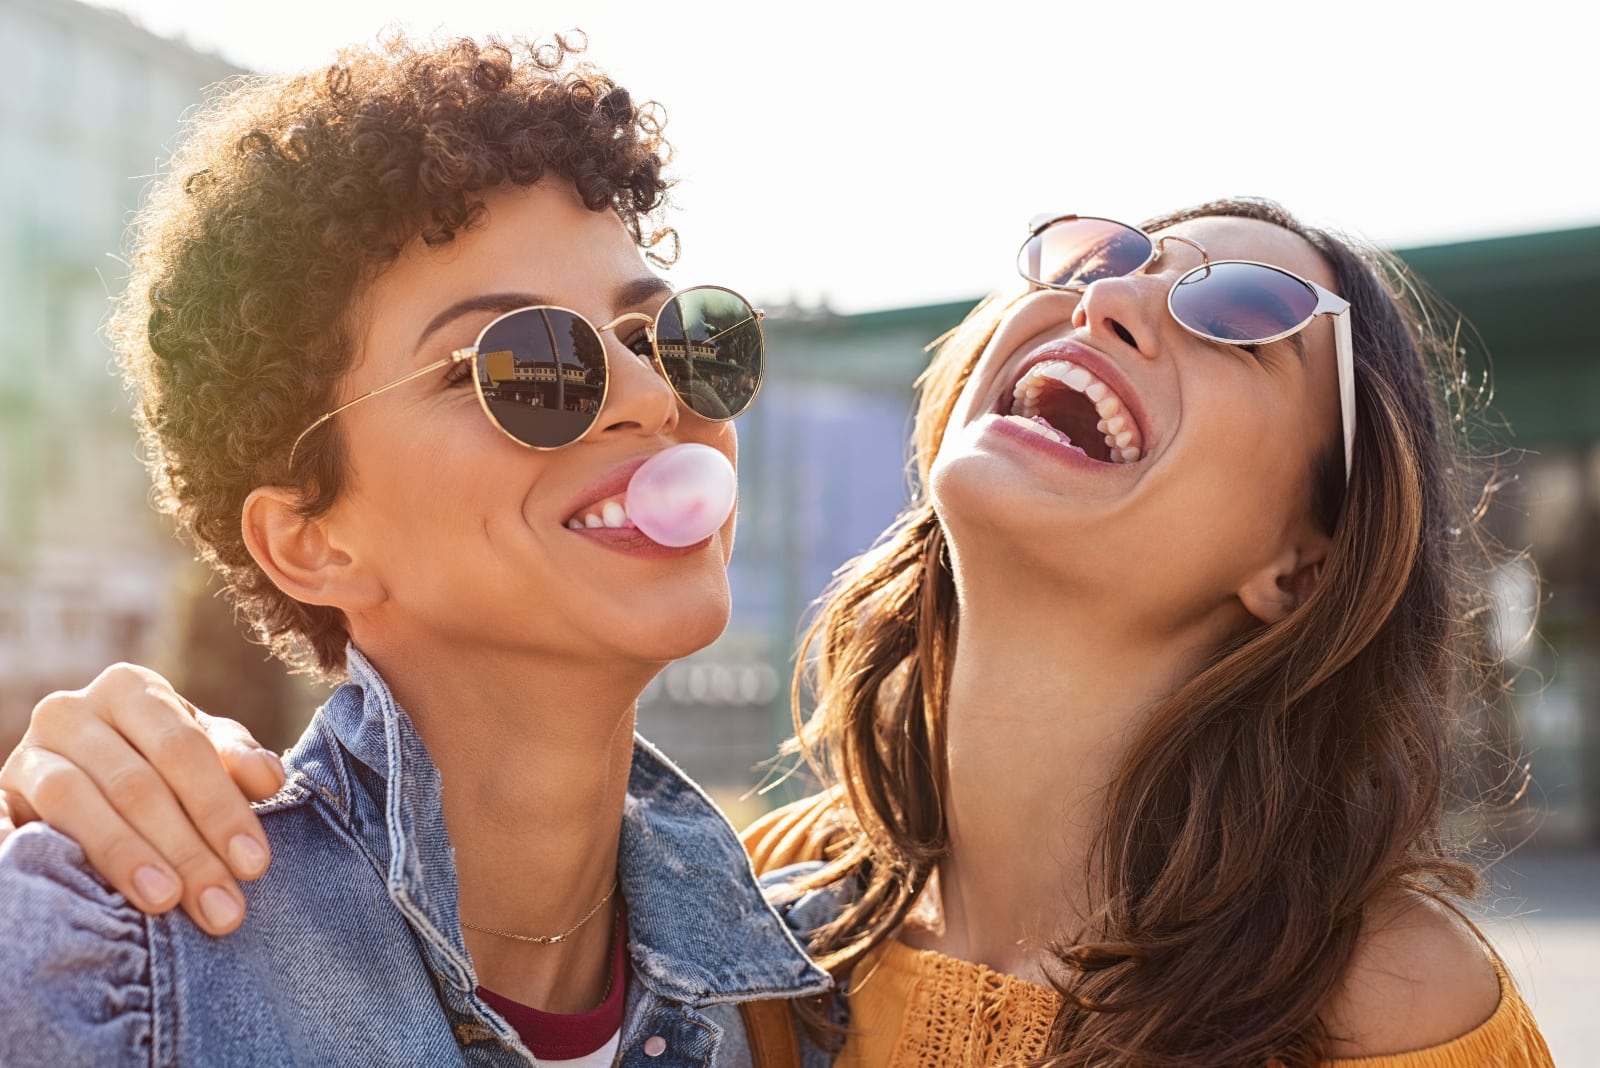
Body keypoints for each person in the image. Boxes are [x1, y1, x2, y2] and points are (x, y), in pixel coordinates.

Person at [0, 200, 1553, 1063]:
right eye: (1096, 263)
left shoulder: (1394, 1012)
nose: (1114, 303)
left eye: (1236, 318)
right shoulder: (765, 963)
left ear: (1305, 559)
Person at [0, 32, 833, 1067]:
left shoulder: (808, 992)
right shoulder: (103, 966)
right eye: (525, 365)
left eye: (665, 336)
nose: (654, 397)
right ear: (311, 543)